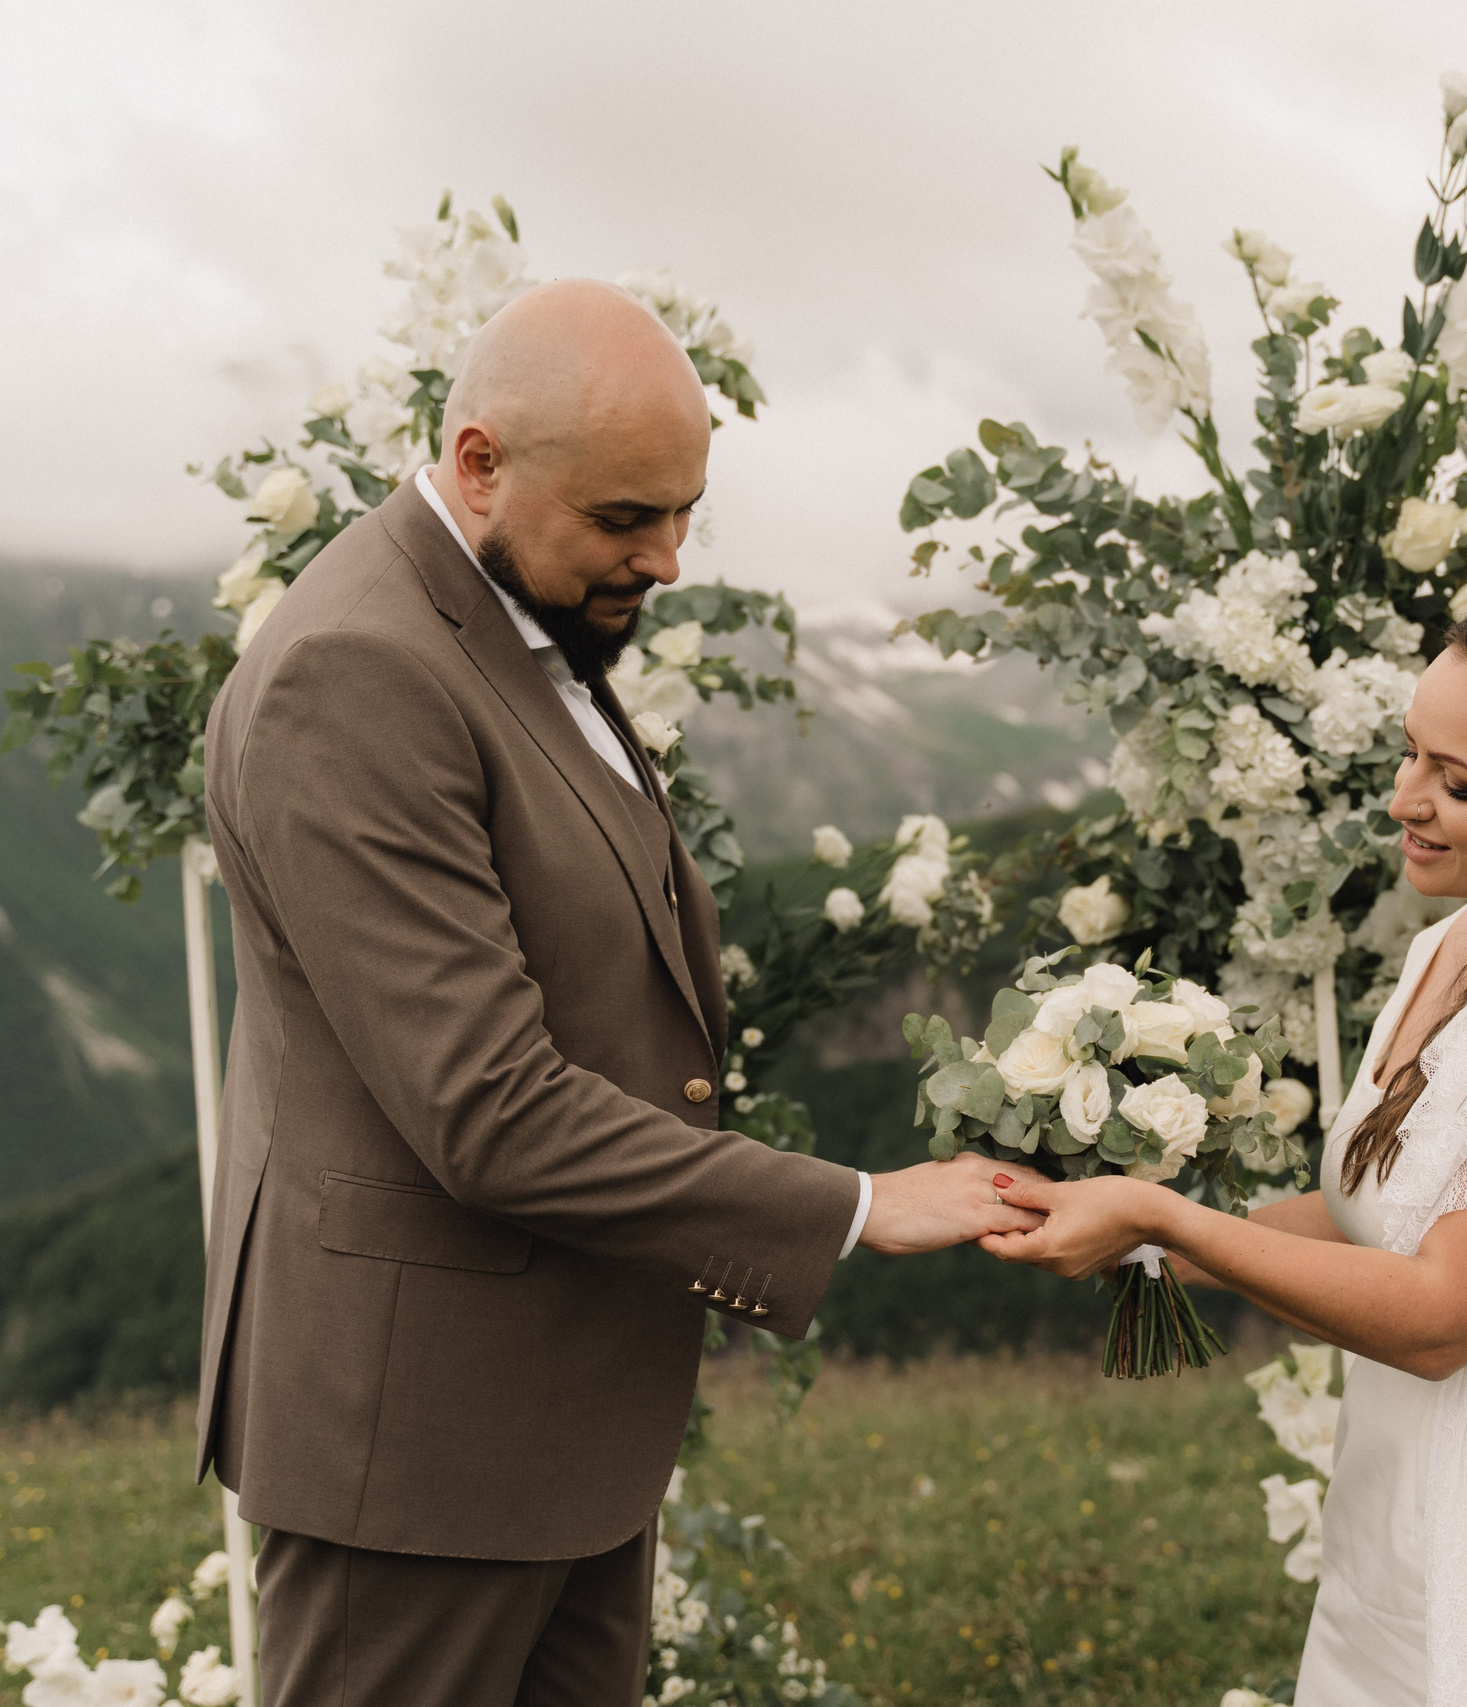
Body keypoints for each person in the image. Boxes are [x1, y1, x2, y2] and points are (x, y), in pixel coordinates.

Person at [196, 279, 1039, 1706]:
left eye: (683, 512)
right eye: (622, 520)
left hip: (555, 1416)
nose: (664, 557)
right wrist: (850, 1201)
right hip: (418, 1440)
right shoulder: (356, 669)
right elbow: (487, 1108)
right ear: (479, 462)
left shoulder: (514, 609)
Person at [984, 596, 1467, 1702]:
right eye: (1411, 755)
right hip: (1398, 1495)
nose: (1405, 802)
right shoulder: (1456, 941)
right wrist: (1123, 1229)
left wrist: (1167, 1219)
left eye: (1459, 784)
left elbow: (1445, 1315)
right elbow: (1378, 1220)